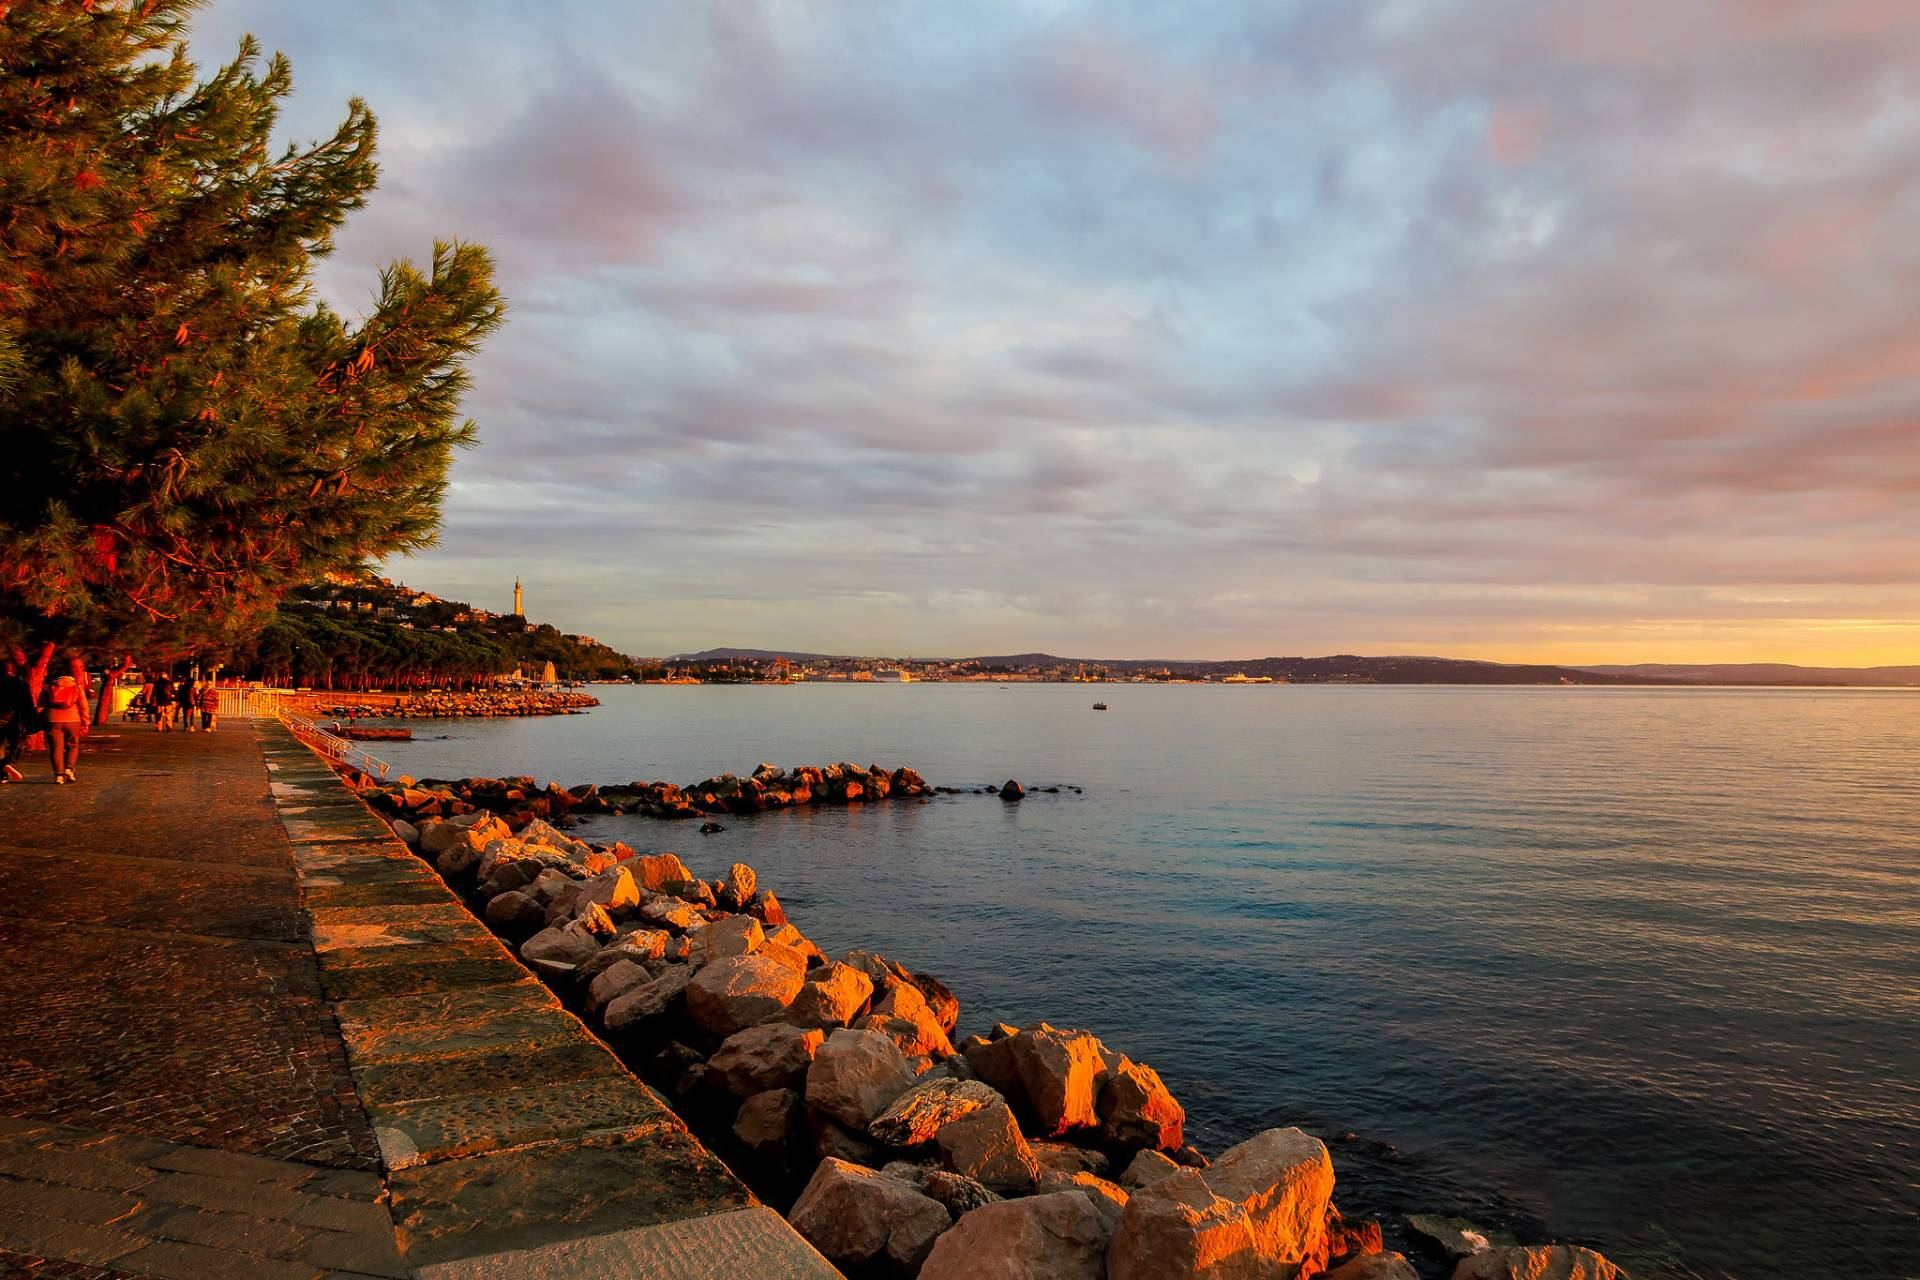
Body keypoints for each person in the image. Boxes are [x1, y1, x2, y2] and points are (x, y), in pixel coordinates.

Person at [39, 672, 86, 783]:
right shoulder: (77, 687)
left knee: (56, 748)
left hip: (53, 720)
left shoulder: (48, 687)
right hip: (73, 720)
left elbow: (40, 707)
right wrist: (86, 722)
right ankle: (69, 769)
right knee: (73, 745)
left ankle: (59, 775)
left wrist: (40, 720)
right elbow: (84, 706)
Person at [0, 658, 33, 782]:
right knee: (17, 743)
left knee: (0, 746)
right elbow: (26, 702)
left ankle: (2, 773)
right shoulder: (19, 682)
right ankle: (9, 763)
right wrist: (30, 718)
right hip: (14, 716)